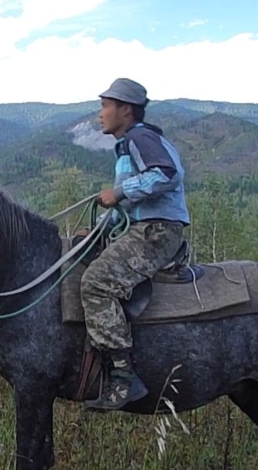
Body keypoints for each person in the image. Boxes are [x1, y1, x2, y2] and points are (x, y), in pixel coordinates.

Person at [80, 78, 190, 411]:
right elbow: (125, 209)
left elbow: (167, 174)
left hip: (156, 231)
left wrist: (121, 192)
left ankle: (123, 378)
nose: (100, 114)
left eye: (105, 106)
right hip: (144, 226)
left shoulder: (141, 137)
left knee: (95, 285)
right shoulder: (128, 146)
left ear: (125, 110)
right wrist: (98, 231)